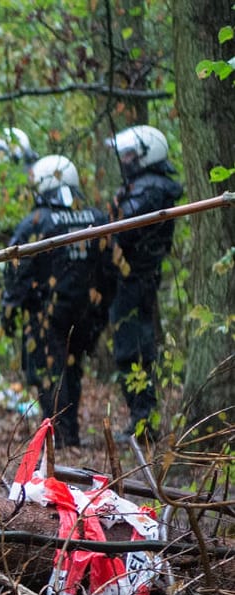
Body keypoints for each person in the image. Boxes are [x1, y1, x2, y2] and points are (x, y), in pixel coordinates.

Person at [0, 154, 109, 448]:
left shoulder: (36, 222)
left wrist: (8, 312)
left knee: (50, 373)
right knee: (72, 370)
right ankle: (68, 432)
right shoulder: (96, 218)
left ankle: (58, 436)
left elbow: (17, 272)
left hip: (45, 313)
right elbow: (110, 267)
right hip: (86, 312)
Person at [106, 124, 182, 438]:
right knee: (132, 347)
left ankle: (143, 423)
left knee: (132, 349)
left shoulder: (150, 188)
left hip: (136, 279)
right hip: (134, 279)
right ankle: (141, 420)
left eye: (130, 155)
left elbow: (125, 228)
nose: (125, 161)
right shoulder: (146, 186)